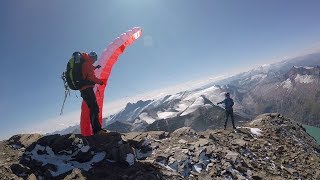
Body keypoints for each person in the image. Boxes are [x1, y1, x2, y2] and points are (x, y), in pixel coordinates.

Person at [80, 51, 105, 135]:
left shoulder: (86, 64)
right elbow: (91, 77)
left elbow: (88, 71)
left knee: (93, 108)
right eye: (95, 59)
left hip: (85, 90)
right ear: (93, 58)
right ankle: (97, 130)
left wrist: (95, 67)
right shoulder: (87, 64)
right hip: (87, 90)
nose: (95, 60)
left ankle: (96, 130)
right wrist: (100, 82)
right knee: (94, 109)